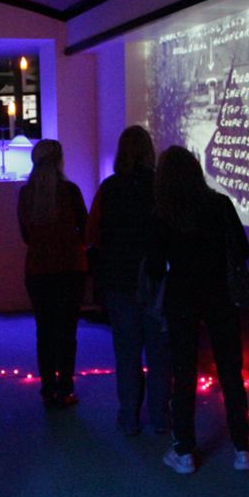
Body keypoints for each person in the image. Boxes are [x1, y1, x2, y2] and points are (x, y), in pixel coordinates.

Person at [146, 146, 249, 474]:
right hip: (220, 295)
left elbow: (153, 266)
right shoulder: (219, 203)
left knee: (183, 373)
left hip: (181, 298)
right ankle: (241, 448)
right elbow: (244, 249)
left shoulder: (163, 213)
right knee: (230, 371)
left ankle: (184, 451)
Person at [86, 125, 171, 436]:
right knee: (160, 353)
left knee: (127, 352)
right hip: (156, 281)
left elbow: (92, 234)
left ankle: (130, 418)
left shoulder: (109, 189)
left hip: (120, 281)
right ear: (149, 152)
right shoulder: (160, 189)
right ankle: (161, 418)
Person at [17, 139, 88, 409]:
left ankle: (48, 389)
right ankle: (66, 389)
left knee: (44, 331)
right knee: (67, 332)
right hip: (70, 269)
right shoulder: (70, 191)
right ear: (60, 160)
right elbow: (85, 228)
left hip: (38, 270)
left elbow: (26, 236)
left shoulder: (26, 194)